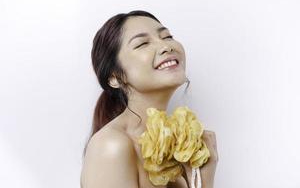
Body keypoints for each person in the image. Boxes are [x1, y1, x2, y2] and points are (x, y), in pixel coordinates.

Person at [80, 10, 218, 188]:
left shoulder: (177, 148)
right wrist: (203, 183)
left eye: (167, 36)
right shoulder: (110, 146)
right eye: (142, 43)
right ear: (115, 77)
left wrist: (199, 174)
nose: (166, 46)